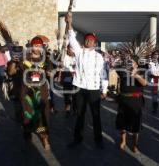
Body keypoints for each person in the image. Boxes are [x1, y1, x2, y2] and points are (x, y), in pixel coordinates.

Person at [66, 13, 108, 148]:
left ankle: (98, 139)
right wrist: (70, 22)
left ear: (95, 43)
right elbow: (71, 37)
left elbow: (104, 74)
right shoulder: (79, 52)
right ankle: (77, 138)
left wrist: (105, 90)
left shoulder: (99, 57)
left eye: (91, 40)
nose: (88, 41)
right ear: (84, 41)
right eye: (87, 39)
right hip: (79, 87)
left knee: (96, 115)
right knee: (79, 114)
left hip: (94, 89)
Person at [9, 36, 51, 150]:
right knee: (27, 115)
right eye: (35, 45)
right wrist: (13, 61)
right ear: (31, 46)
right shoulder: (23, 58)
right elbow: (12, 72)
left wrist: (50, 72)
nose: (37, 48)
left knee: (42, 115)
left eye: (39, 46)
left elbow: (50, 73)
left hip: (41, 92)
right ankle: (27, 133)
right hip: (26, 92)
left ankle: (44, 137)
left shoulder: (46, 59)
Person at [115, 56, 147, 153]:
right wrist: (121, 60)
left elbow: (145, 83)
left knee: (136, 124)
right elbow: (115, 66)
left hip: (136, 101)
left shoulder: (142, 71)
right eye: (128, 62)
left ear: (136, 64)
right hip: (124, 100)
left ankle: (135, 144)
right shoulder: (122, 71)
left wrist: (136, 75)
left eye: (132, 62)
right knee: (123, 123)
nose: (129, 63)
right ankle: (123, 141)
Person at [61, 46, 77, 117]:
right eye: (68, 49)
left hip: (76, 80)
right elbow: (62, 68)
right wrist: (60, 78)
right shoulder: (65, 58)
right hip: (67, 79)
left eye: (70, 49)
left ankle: (75, 109)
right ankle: (67, 110)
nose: (68, 51)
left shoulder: (77, 57)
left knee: (75, 95)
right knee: (67, 95)